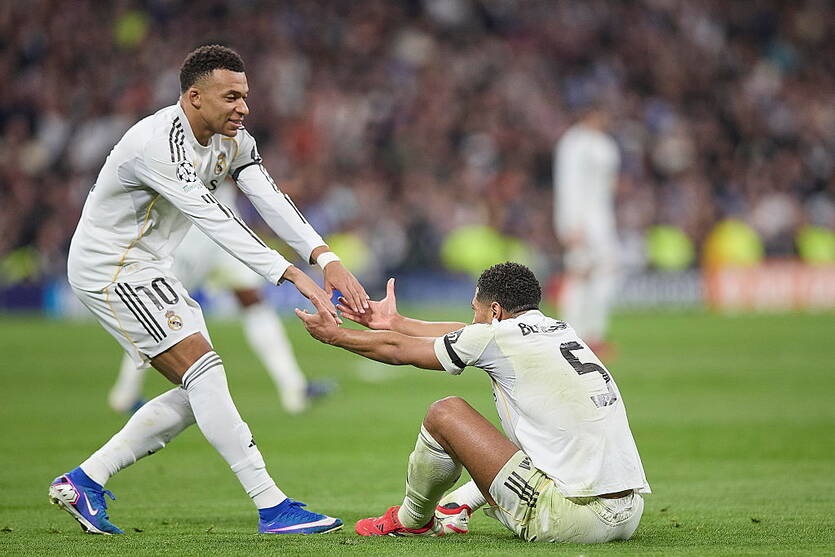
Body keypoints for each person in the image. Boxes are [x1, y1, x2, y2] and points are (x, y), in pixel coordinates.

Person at [49, 45, 369, 536]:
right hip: (112, 268)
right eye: (231, 97)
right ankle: (271, 505)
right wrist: (289, 272)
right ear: (194, 97)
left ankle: (85, 481)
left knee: (198, 391)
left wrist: (326, 258)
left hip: (151, 267)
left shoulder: (232, 140)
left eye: (245, 96)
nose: (243, 108)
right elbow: (214, 217)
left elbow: (269, 197)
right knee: (205, 375)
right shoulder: (157, 143)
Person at [296, 262, 650, 543]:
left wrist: (336, 336)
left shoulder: (497, 338)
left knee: (445, 413)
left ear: (494, 310)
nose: (472, 320)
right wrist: (395, 321)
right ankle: (459, 505)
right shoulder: (558, 329)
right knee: (529, 433)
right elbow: (467, 334)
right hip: (628, 512)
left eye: (475, 310)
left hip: (575, 518)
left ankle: (412, 521)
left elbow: (398, 349)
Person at [108, 176, 332, 416]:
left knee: (253, 300)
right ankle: (126, 392)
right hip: (193, 227)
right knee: (160, 312)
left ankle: (294, 388)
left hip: (224, 223)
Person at [554, 103, 621, 357]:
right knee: (579, 272)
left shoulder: (605, 144)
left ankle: (592, 334)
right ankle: (570, 334)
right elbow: (567, 185)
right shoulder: (574, 143)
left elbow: (608, 187)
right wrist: (570, 223)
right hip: (581, 220)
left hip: (601, 219)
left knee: (603, 271)